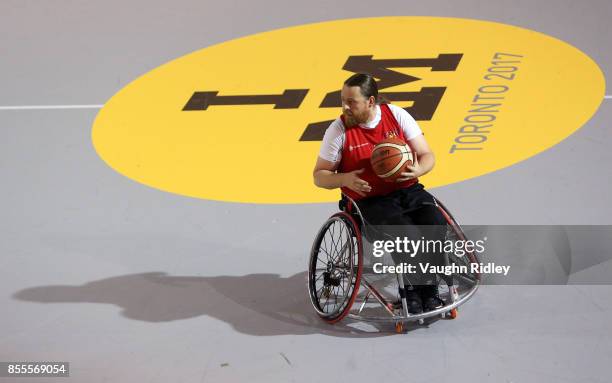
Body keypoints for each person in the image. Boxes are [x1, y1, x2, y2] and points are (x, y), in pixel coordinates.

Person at [312, 72, 446, 313]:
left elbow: (428, 155)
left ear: (371, 102)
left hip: (407, 190)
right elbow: (319, 176)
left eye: (351, 101)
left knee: (435, 225)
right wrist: (344, 179)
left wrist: (420, 167)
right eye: (343, 100)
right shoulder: (338, 131)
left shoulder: (396, 115)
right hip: (370, 201)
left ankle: (429, 287)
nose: (345, 106)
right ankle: (413, 291)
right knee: (407, 236)